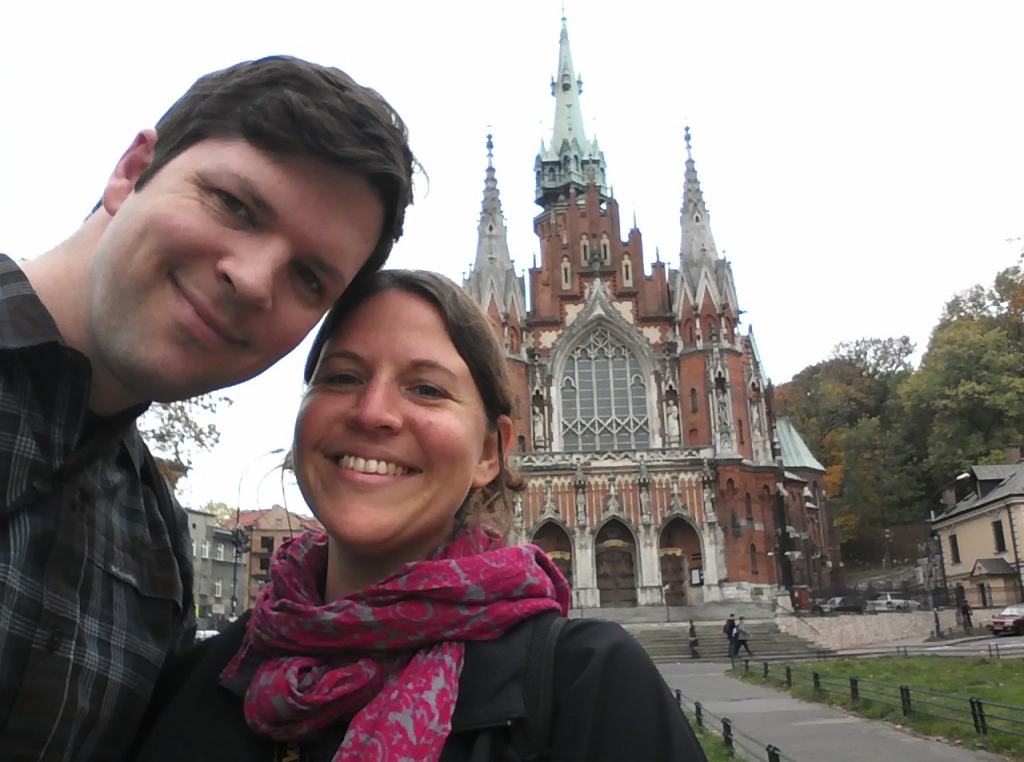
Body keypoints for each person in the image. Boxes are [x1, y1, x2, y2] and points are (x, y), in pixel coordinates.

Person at [0, 56, 415, 760]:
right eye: (234, 205)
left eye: (309, 277)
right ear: (132, 172)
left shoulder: (157, 543)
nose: (253, 280)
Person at [129, 270, 708, 762]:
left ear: (490, 452)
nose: (374, 412)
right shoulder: (197, 675)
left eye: (427, 388)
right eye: (343, 377)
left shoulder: (592, 688)